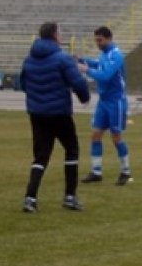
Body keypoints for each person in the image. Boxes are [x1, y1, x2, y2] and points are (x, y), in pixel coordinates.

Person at [20, 22, 90, 212]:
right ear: (54, 35)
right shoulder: (62, 58)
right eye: (60, 33)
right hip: (59, 112)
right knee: (72, 149)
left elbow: (24, 84)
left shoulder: (29, 59)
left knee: (41, 156)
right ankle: (70, 195)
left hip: (37, 113)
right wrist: (84, 97)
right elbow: (77, 81)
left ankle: (30, 198)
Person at [78, 26, 132, 186]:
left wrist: (86, 69)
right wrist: (83, 60)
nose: (97, 43)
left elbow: (105, 76)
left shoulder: (116, 55)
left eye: (99, 40)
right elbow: (98, 65)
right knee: (95, 135)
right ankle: (96, 172)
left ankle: (126, 171)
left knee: (116, 137)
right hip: (104, 101)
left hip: (116, 102)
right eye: (96, 40)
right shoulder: (104, 54)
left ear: (108, 38)